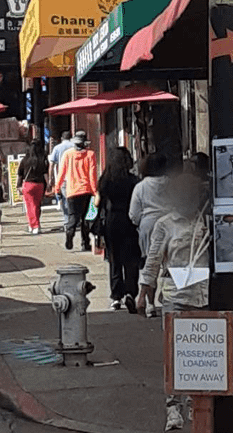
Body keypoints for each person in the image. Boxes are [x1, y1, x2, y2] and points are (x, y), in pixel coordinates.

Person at [136, 162, 212, 433]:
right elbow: (153, 260)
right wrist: (143, 293)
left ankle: (194, 402)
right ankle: (173, 406)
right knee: (174, 352)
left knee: (200, 353)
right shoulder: (165, 224)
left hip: (203, 295)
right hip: (175, 294)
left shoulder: (206, 222)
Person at [97, 146, 140, 311]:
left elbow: (98, 203)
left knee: (114, 260)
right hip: (129, 220)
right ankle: (130, 292)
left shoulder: (105, 181)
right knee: (131, 259)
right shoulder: (133, 181)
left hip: (111, 220)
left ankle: (116, 296)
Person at [129, 152, 171, 313]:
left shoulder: (141, 187)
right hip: (170, 224)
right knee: (169, 264)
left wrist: (141, 222)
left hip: (148, 226)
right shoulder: (171, 184)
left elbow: (133, 213)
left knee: (150, 263)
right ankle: (168, 297)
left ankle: (150, 303)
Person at [55, 130, 98, 250]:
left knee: (73, 216)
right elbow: (92, 175)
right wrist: (95, 191)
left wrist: (57, 188)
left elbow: (61, 173)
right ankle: (85, 243)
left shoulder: (68, 154)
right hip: (87, 190)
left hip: (72, 191)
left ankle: (70, 234)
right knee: (86, 218)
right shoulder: (90, 154)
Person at [18, 138, 49, 235]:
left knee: (30, 206)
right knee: (37, 206)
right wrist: (48, 184)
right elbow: (45, 173)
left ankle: (34, 225)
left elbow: (20, 174)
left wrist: (18, 185)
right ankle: (34, 224)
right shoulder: (42, 159)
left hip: (28, 184)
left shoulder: (25, 160)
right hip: (40, 184)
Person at [49, 130, 74, 229]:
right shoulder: (75, 146)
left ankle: (67, 221)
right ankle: (75, 219)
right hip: (75, 177)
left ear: (62, 138)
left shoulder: (57, 148)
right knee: (75, 199)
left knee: (65, 199)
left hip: (63, 178)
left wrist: (51, 178)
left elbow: (52, 164)